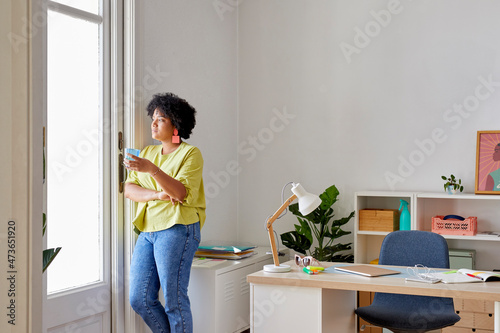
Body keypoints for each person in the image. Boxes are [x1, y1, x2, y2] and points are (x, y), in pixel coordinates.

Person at [124, 92, 205, 333]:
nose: (153, 123)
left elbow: (180, 193)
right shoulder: (147, 153)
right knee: (139, 299)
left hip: (177, 229)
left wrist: (152, 171)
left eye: (160, 119)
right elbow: (129, 189)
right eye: (153, 118)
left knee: (174, 301)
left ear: (176, 124)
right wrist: (156, 195)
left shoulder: (190, 154)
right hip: (148, 231)